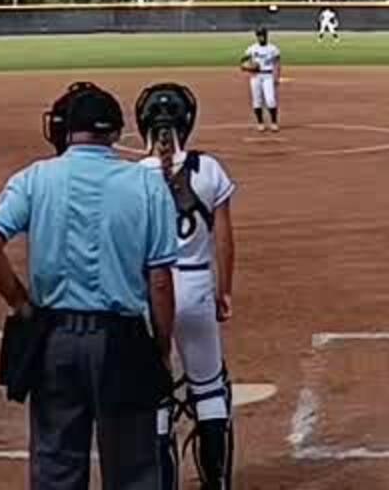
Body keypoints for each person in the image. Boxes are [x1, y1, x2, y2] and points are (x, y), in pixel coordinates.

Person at [0, 82, 179, 490]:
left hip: (53, 337)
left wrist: (21, 302)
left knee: (56, 466)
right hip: (122, 341)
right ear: (117, 132)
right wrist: (159, 346)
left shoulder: (34, 178)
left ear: (66, 130)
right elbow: (159, 281)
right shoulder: (147, 184)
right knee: (134, 468)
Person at [133, 83, 237, 489]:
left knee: (156, 395)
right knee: (210, 389)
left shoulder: (128, 177)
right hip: (195, 285)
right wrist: (223, 292)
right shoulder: (208, 169)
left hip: (148, 293)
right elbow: (225, 240)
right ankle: (216, 482)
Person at [240, 28, 282, 134]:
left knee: (270, 100)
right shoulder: (252, 49)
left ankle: (274, 122)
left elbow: (277, 63)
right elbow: (243, 61)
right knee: (257, 100)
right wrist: (246, 67)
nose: (261, 37)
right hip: (255, 76)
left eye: (262, 35)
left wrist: (277, 77)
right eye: (259, 35)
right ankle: (260, 123)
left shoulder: (273, 49)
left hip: (268, 75)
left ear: (266, 35)